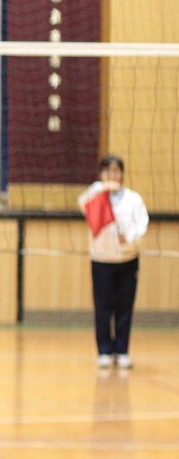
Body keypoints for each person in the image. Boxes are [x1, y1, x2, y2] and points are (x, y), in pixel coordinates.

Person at [79, 155, 149, 370]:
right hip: (101, 259)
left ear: (122, 173)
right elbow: (82, 203)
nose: (113, 174)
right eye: (108, 170)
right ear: (101, 174)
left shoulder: (133, 199)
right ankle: (104, 351)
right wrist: (102, 188)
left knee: (124, 306)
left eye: (116, 170)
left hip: (127, 259)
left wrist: (129, 238)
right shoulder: (95, 195)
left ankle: (122, 351)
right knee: (102, 308)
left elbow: (142, 223)